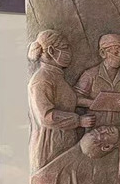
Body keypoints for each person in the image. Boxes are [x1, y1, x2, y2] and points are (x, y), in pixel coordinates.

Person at [28, 30, 95, 170]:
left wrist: (94, 103)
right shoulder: (42, 80)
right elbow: (46, 117)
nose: (69, 53)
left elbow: (66, 100)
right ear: (51, 51)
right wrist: (78, 121)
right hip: (50, 144)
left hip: (64, 138)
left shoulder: (56, 76)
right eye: (65, 48)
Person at [74, 34, 120, 127]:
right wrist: (97, 103)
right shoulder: (90, 75)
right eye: (115, 53)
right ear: (103, 53)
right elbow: (75, 99)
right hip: (96, 127)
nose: (119, 57)